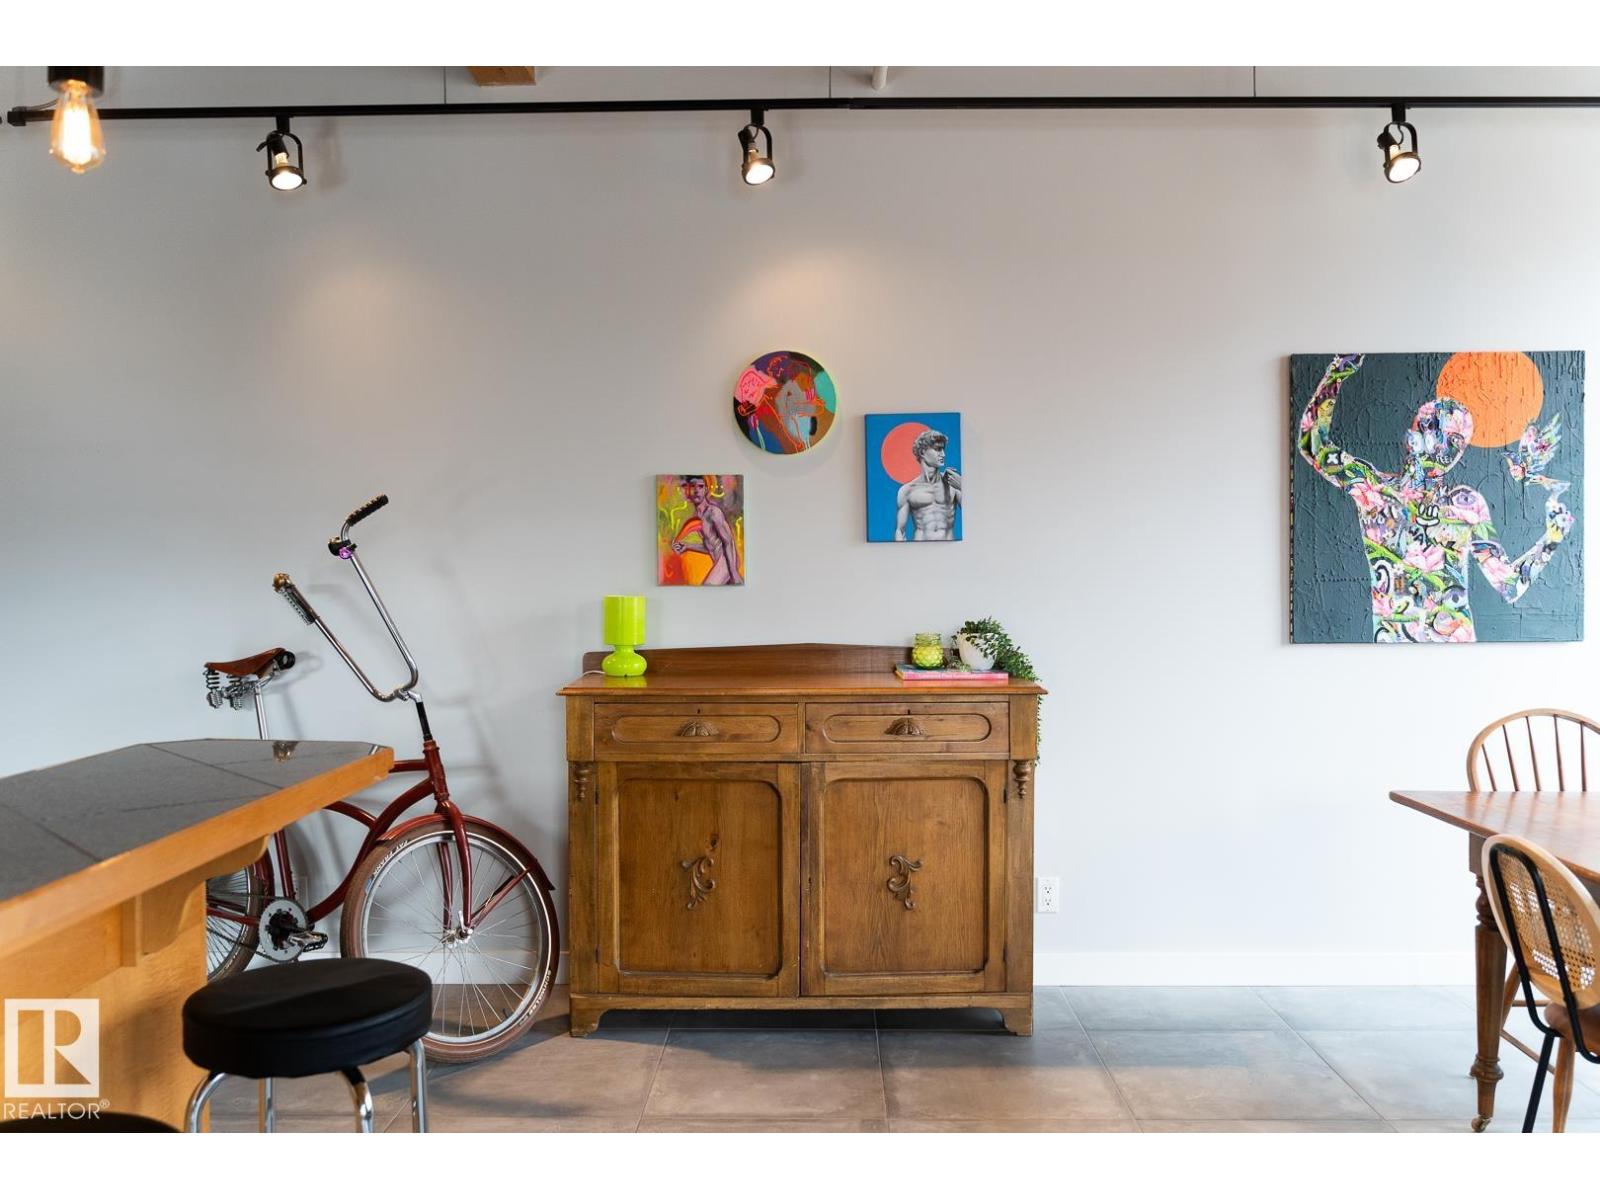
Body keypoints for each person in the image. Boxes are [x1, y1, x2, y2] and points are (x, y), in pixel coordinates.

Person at [1298, 353, 1573, 642]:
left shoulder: (1465, 504)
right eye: (1432, 425)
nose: (1441, 442)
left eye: (1454, 440)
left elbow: (1509, 585)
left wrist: (1551, 539)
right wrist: (1339, 370)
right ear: (1412, 433)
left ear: (1459, 454)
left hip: (1457, 651)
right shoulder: (1373, 490)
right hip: (1392, 649)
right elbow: (1313, 444)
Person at [672, 476, 744, 584]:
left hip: (726, 561)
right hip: (720, 562)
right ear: (688, 490)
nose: (696, 490)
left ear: (706, 490)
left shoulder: (713, 512)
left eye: (700, 486)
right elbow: (711, 547)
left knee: (707, 586)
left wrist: (733, 571)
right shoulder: (698, 516)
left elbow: (728, 542)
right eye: (693, 486)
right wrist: (687, 546)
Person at [895, 429, 962, 541]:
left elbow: (973, 516)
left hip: (949, 548)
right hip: (919, 548)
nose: (943, 454)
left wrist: (962, 486)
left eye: (943, 449)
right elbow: (900, 531)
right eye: (938, 449)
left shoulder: (953, 482)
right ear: (922, 452)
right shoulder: (907, 490)